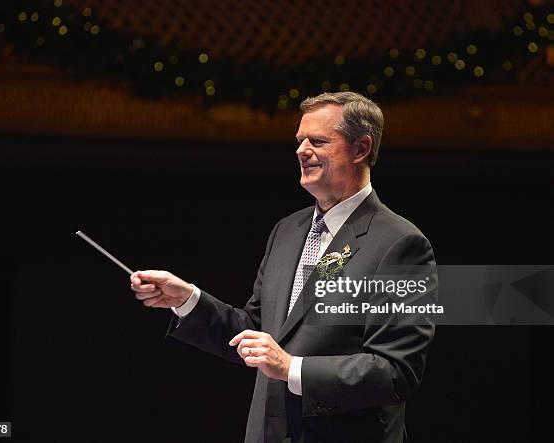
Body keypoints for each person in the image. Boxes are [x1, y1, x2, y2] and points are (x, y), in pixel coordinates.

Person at [130, 91, 436, 443]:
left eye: (317, 141)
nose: (301, 150)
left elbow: (397, 371)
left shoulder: (400, 244)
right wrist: (186, 299)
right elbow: (257, 331)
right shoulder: (287, 231)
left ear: (360, 149)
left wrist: (293, 368)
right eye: (299, 140)